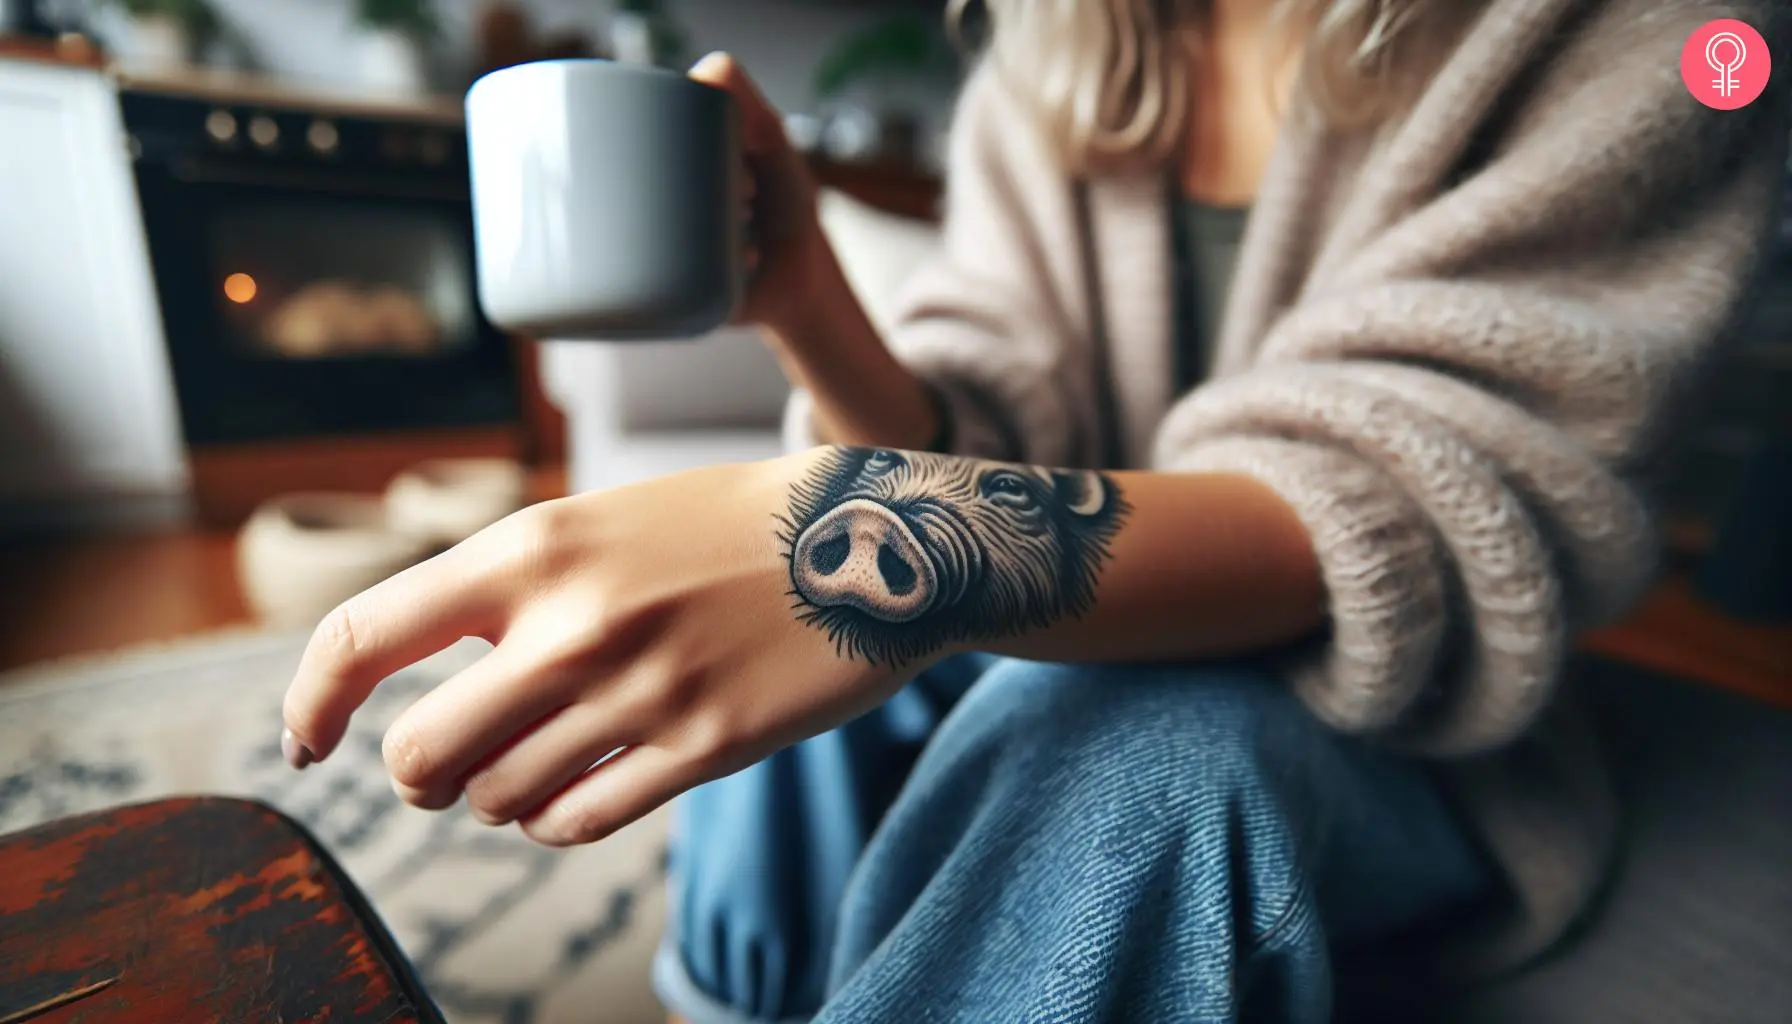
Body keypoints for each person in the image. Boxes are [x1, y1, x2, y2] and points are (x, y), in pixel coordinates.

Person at [279, 0, 1789, 1020]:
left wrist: (891, 542)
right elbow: (998, 429)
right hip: (1066, 626)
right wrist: (807, 300)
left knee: (1126, 742)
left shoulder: (1671, 41)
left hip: (1410, 738)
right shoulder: (1048, 66)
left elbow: (1435, 489)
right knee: (813, 675)